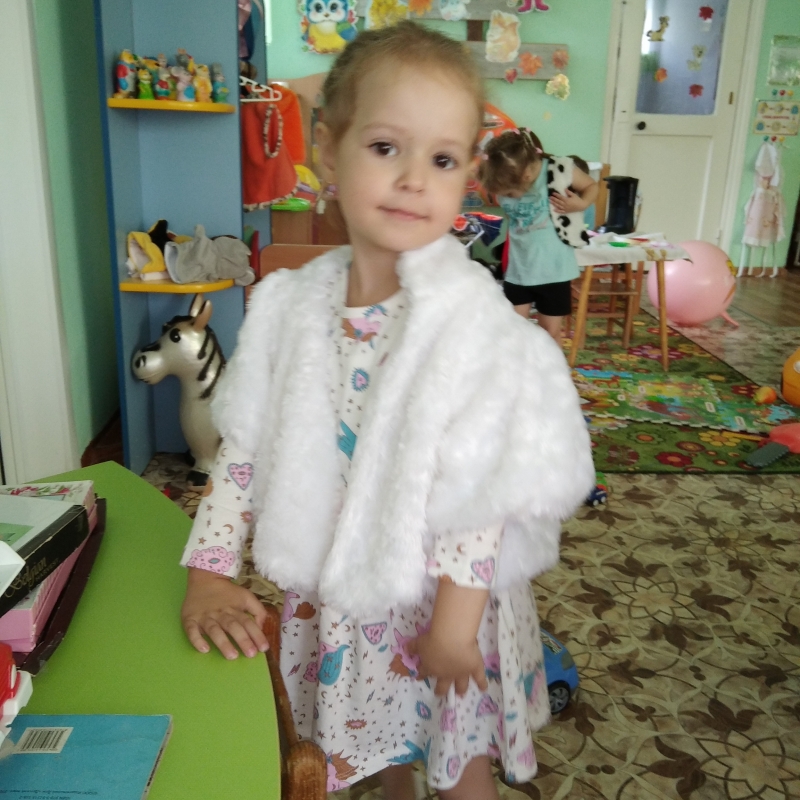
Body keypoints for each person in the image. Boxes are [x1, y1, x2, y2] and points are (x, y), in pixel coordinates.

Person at [179, 21, 594, 800]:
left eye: (441, 159)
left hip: (444, 599)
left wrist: (454, 629)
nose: (411, 179)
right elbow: (244, 448)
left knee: (459, 755)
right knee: (378, 750)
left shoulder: (470, 323)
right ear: (328, 151)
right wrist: (208, 572)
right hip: (340, 594)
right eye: (384, 147)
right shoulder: (287, 307)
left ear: (467, 174)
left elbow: (484, 488)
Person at [480, 129, 598, 347]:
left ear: (525, 177)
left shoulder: (558, 170)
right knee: (510, 330)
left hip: (553, 271)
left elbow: (592, 186)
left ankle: (551, 368)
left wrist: (581, 203)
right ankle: (516, 367)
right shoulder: (501, 171)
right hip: (519, 269)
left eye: (509, 194)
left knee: (549, 333)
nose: (506, 198)